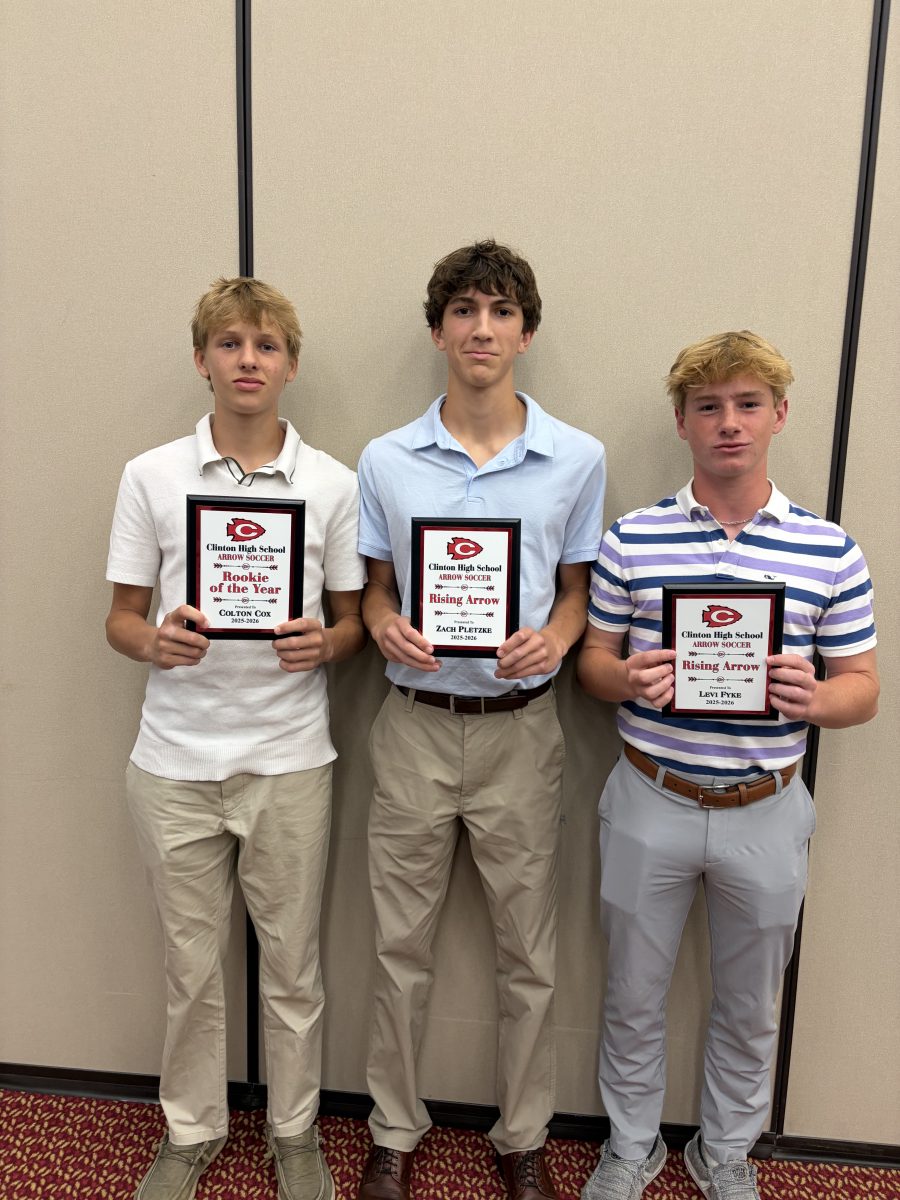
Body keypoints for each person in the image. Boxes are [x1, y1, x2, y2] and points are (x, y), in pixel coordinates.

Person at [577, 331, 879, 1200]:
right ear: (682, 422)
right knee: (633, 994)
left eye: (748, 404)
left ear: (779, 415)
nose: (729, 423)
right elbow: (593, 663)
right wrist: (622, 675)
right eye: (708, 406)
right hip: (650, 795)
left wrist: (818, 700)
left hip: (767, 805)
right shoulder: (633, 538)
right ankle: (631, 1148)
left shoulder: (830, 550)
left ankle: (726, 1151)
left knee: (751, 1006)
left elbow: (863, 688)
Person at [354, 240, 606, 1200]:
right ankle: (392, 1130)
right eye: (464, 310)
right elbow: (374, 593)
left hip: (522, 732)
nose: (482, 328)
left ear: (526, 333)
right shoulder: (386, 458)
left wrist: (554, 637)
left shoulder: (576, 456)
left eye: (501, 312)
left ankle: (524, 1136)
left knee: (528, 951)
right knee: (396, 943)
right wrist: (387, 630)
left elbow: (578, 591)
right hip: (414, 722)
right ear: (438, 331)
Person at [105, 277, 365, 1200]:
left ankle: (294, 1133)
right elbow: (121, 621)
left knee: (293, 967)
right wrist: (157, 641)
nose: (247, 360)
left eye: (265, 345)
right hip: (173, 765)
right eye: (229, 343)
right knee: (190, 968)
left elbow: (353, 622)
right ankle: (192, 1127)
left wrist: (325, 642)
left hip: (290, 762)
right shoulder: (152, 476)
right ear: (202, 359)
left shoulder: (332, 483)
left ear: (291, 365)